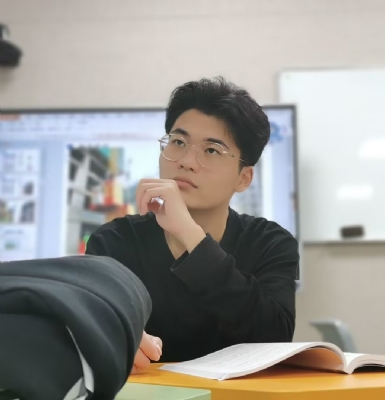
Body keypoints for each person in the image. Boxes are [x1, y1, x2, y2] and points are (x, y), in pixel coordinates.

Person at [86, 77, 299, 372]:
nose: (186, 161)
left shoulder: (270, 243)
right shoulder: (114, 242)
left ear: (243, 178)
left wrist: (190, 235)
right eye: (178, 142)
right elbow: (95, 336)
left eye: (211, 150)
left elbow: (273, 340)